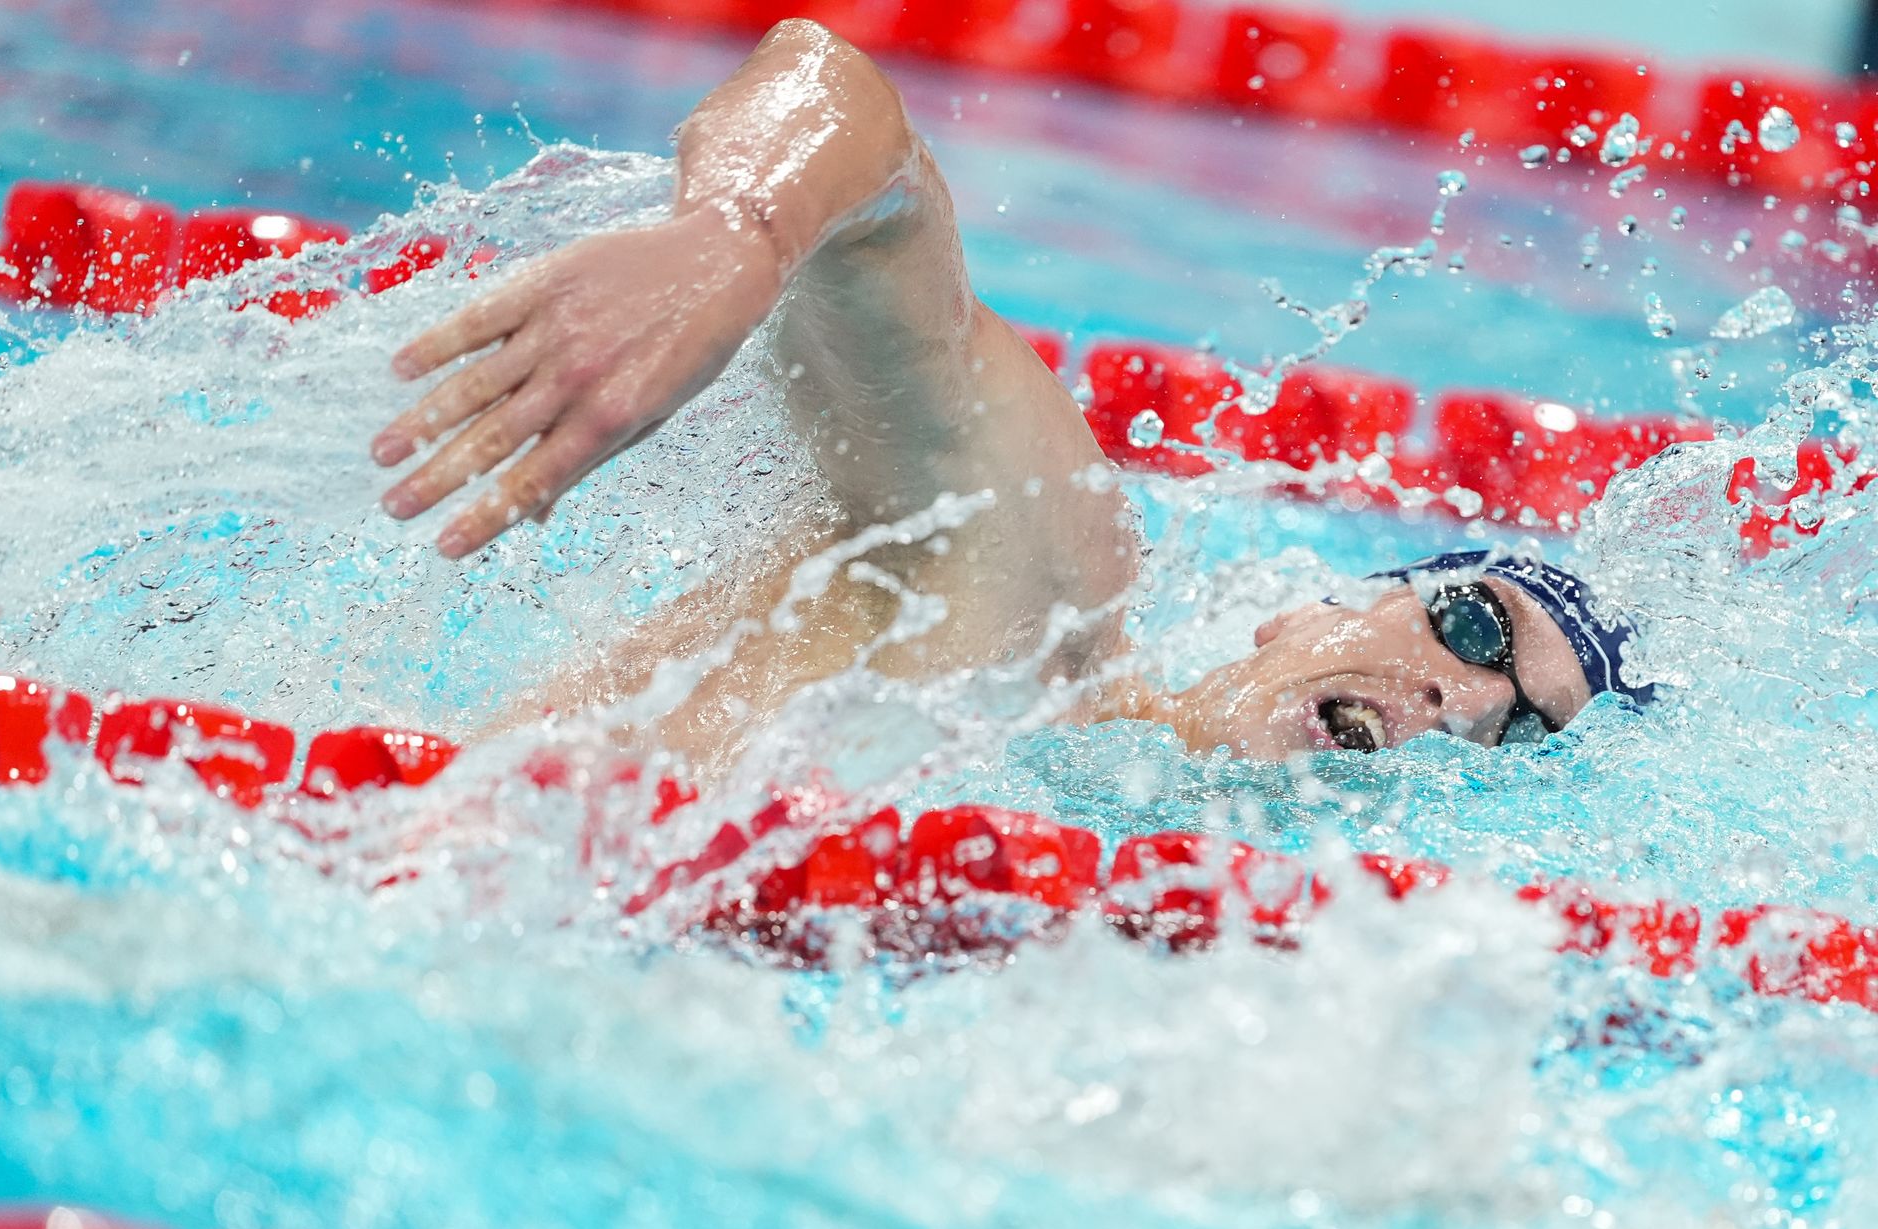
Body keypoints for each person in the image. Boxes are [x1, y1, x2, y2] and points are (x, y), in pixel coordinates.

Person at [368, 19, 1651, 771]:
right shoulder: (1035, 599)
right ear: (1319, 606)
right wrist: (737, 238)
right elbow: (841, 96)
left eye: (1517, 733)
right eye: (1472, 629)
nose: (1459, 702)